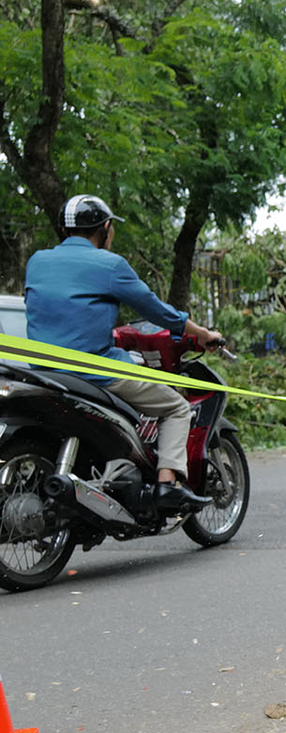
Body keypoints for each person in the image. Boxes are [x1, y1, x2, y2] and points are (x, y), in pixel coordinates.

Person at [23, 196, 222, 511]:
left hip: (44, 373)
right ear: (105, 228)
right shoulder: (109, 265)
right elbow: (159, 312)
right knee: (176, 408)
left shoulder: (37, 261)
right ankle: (168, 484)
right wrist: (204, 334)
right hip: (95, 373)